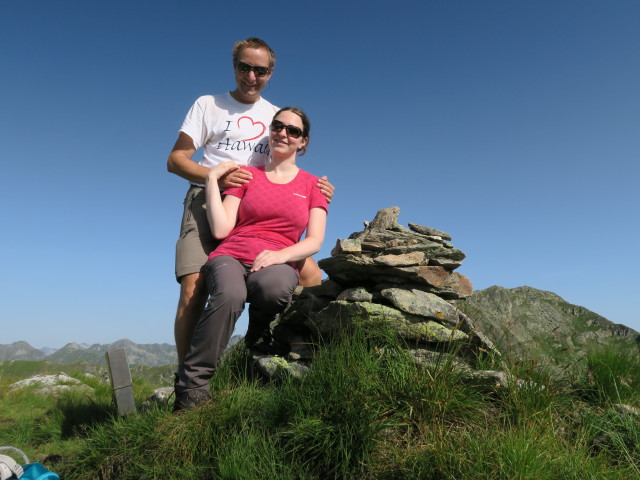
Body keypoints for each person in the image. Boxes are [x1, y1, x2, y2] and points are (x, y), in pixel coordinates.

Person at [167, 38, 334, 367]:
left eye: (260, 70)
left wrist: (319, 188)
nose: (251, 76)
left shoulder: (275, 117)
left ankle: (278, 355)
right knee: (193, 287)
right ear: (234, 67)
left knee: (311, 275)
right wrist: (215, 177)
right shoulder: (208, 105)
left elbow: (289, 162)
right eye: (245, 67)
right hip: (208, 200)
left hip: (260, 209)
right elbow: (176, 160)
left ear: (271, 73)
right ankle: (187, 378)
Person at [174, 106, 327, 410]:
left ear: (303, 142)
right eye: (278, 126)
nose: (283, 133)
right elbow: (221, 228)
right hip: (231, 254)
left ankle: (257, 335)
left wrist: (279, 255)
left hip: (278, 258)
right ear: (270, 131)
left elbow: (315, 240)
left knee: (274, 287)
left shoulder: (313, 186)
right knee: (230, 294)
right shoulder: (247, 176)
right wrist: (214, 180)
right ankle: (192, 387)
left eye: (293, 130)